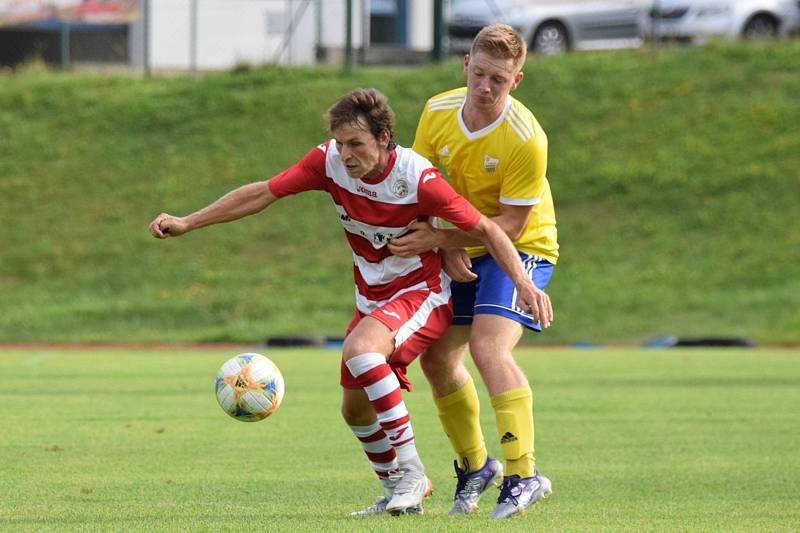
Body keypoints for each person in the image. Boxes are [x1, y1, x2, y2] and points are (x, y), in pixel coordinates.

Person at [148, 88, 552, 517]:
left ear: (384, 138)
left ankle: (415, 473)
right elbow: (262, 193)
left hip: (422, 294)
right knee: (355, 410)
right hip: (372, 298)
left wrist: (523, 284)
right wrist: (188, 222)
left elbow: (490, 230)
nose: (345, 153)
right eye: (340, 142)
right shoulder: (328, 163)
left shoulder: (418, 178)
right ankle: (397, 488)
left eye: (356, 144)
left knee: (361, 351)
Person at [388, 24, 558, 519]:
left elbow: (510, 224)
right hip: (463, 242)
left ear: (517, 80)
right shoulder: (437, 110)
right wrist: (443, 244)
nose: (485, 87)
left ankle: (524, 475)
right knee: (437, 359)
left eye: (499, 80)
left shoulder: (526, 138)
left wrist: (444, 239)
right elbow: (419, 186)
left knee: (488, 346)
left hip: (521, 248)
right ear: (466, 64)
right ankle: (475, 466)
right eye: (479, 74)